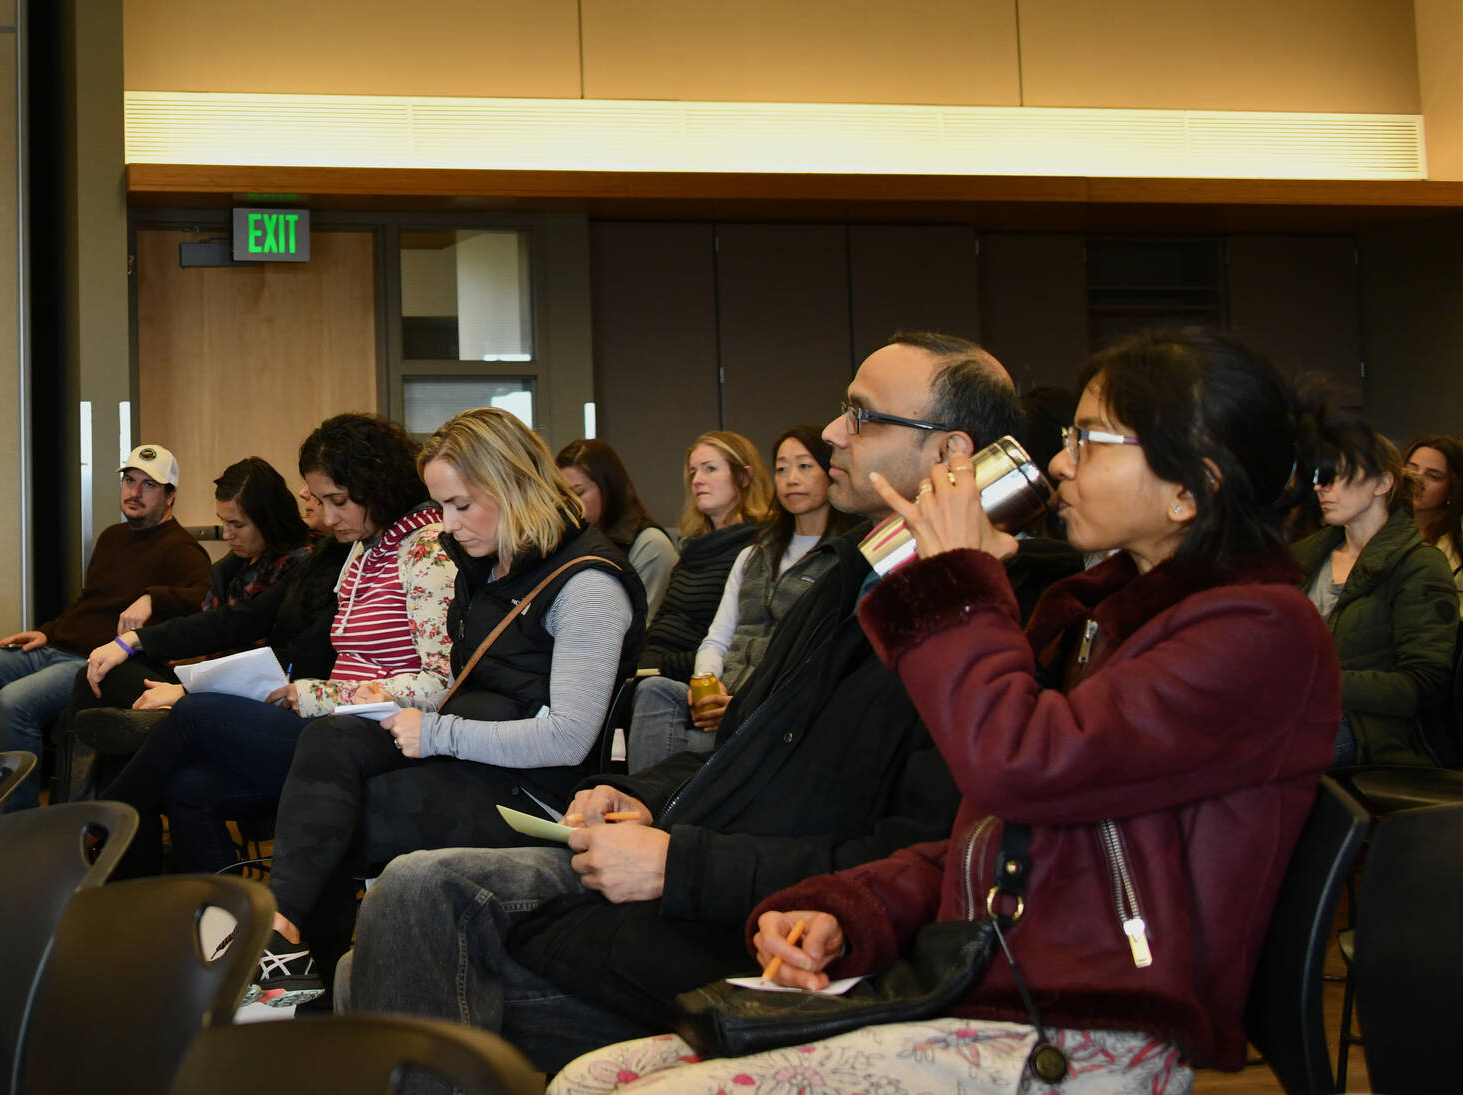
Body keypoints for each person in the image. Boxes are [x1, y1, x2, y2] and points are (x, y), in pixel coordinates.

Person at [550, 327, 1342, 1095]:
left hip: (1086, 1029)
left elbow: (1019, 766)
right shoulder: (1115, 616)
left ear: (1188, 488)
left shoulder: (1258, 631)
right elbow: (997, 834)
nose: (1061, 461)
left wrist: (958, 581)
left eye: (1093, 442)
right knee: (590, 1076)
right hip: (986, 980)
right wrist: (846, 909)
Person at [339, 333, 1080, 1077]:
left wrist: (680, 863)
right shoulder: (860, 570)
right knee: (387, 927)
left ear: (952, 453)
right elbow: (741, 749)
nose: (828, 433)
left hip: (760, 921)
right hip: (690, 861)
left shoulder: (997, 622)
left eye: (861, 415)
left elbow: (912, 857)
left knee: (411, 905)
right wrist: (635, 797)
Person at [249, 408, 649, 1009]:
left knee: (352, 816)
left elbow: (567, 739)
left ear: (513, 484)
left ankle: (302, 984)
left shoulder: (589, 585)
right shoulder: (483, 562)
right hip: (478, 753)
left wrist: (440, 734)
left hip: (540, 791)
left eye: (461, 505)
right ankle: (286, 946)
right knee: (329, 740)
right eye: (441, 506)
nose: (446, 523)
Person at [98, 413, 452, 876]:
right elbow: (256, 626)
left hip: (365, 735)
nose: (326, 517)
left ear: (377, 485)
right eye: (320, 500)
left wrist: (310, 693)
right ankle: (225, 924)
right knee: (189, 787)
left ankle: (99, 824)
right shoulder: (367, 547)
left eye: (338, 501)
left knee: (193, 713)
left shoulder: (427, 551)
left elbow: (440, 682)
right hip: (329, 720)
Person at [0, 443, 210, 809]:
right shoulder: (111, 538)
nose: (134, 492)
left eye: (149, 485)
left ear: (171, 496)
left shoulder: (184, 550)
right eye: (130, 480)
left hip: (92, 663)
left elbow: (204, 601)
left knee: (13, 702)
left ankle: (17, 819)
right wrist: (48, 632)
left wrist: (154, 597)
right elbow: (89, 603)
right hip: (55, 648)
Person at [625, 425, 857, 771]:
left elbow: (823, 655)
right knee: (654, 689)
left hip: (772, 701)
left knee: (699, 742)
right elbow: (717, 637)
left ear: (830, 472)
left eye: (805, 466)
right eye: (781, 468)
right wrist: (708, 682)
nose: (791, 478)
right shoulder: (754, 554)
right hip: (724, 688)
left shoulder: (842, 556)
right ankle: (643, 799)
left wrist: (739, 703)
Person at [67, 456, 318, 777]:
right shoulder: (239, 562)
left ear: (267, 521)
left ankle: (103, 814)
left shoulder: (300, 563)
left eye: (236, 525)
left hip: (247, 690)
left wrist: (138, 641)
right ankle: (101, 807)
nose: (227, 534)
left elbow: (236, 624)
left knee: (118, 706)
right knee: (102, 677)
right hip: (206, 676)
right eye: (223, 522)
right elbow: (207, 620)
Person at [1293, 418, 1458, 766]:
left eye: (1338, 476)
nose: (1322, 488)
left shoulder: (1419, 564)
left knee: (1251, 757)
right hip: (1300, 714)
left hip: (1374, 734)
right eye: (1320, 477)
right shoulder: (1305, 555)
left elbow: (1423, 685)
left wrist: (1318, 682)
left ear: (1383, 483)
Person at [636, 432, 772, 682]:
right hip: (653, 670)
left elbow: (735, 643)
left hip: (700, 678)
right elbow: (664, 624)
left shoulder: (758, 549)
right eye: (693, 473)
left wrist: (658, 667)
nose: (697, 480)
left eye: (710, 469)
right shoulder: (692, 547)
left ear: (744, 477)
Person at [556, 439, 679, 618]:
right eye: (563, 495)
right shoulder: (567, 542)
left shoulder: (651, 545)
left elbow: (644, 628)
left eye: (579, 493)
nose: (570, 504)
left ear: (608, 487)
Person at [1405, 434, 1463, 602]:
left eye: (1433, 476)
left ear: (1452, 489)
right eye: (1411, 469)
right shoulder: (1378, 528)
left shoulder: (1453, 549)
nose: (1416, 479)